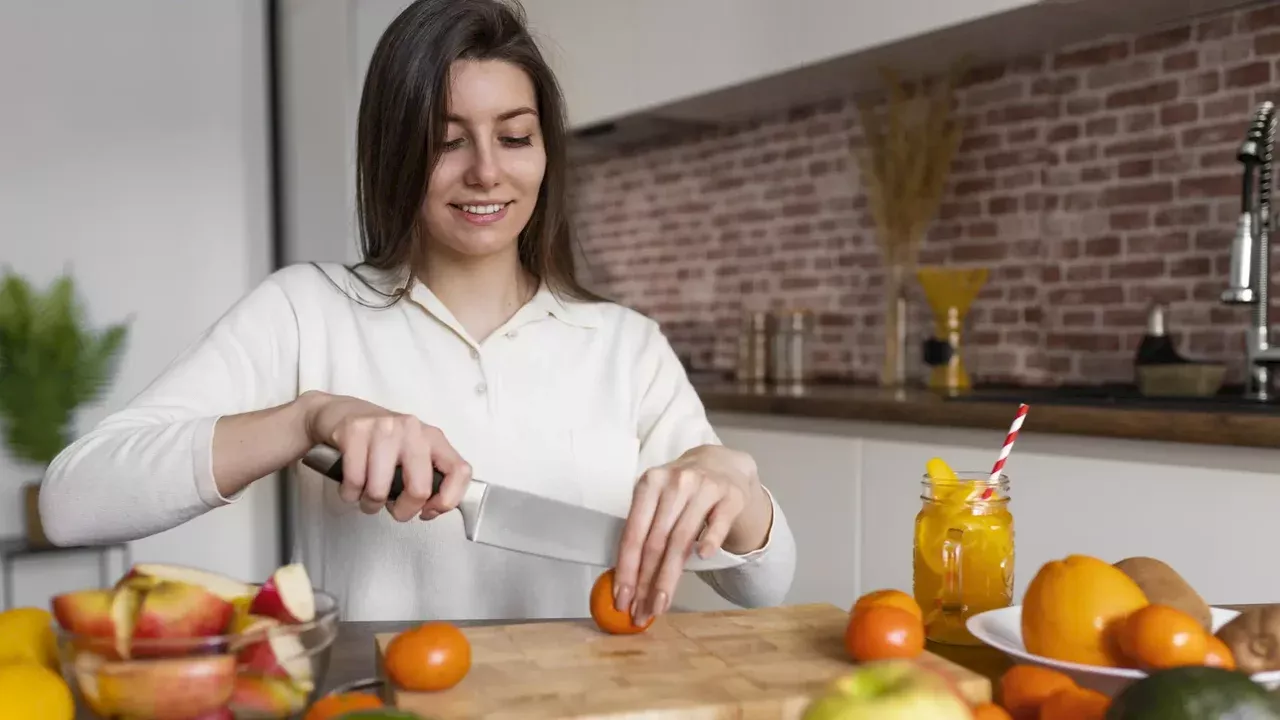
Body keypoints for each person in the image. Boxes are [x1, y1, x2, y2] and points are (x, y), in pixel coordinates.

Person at [39, 0, 795, 623]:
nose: (487, 171)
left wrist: (737, 487)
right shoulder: (306, 313)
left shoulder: (625, 346)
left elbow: (762, 583)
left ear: (545, 152)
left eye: (515, 136)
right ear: (396, 153)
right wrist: (308, 418)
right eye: (446, 141)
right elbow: (71, 503)